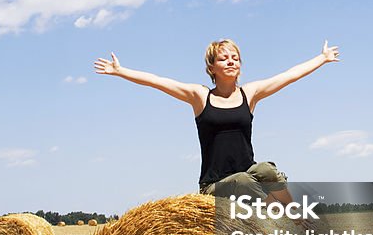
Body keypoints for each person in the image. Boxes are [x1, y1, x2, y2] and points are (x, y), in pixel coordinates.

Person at [94, 39, 339, 205]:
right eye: (224, 58)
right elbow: (158, 81)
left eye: (235, 57)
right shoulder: (200, 96)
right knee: (243, 180)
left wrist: (322, 58)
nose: (231, 61)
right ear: (212, 67)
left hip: (248, 175)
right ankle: (271, 214)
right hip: (215, 186)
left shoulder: (249, 94)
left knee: (266, 170)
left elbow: (288, 76)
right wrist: (121, 71)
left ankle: (295, 217)